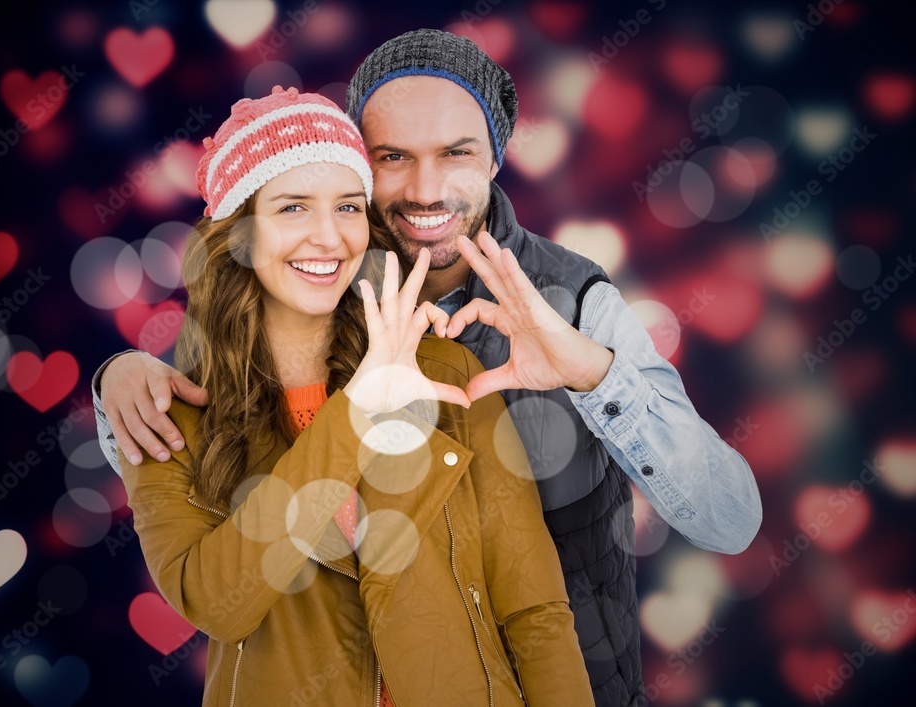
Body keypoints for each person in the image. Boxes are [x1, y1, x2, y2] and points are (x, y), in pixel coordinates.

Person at [95, 31, 762, 706]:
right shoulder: (311, 282)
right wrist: (117, 381)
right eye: (392, 157)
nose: (425, 188)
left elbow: (726, 521)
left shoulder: (573, 301)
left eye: (457, 154)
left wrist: (592, 373)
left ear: (497, 159)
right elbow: (199, 440)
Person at [117, 85, 595, 705]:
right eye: (292, 208)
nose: (329, 237)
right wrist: (359, 409)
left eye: (347, 207)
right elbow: (217, 604)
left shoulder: (447, 371)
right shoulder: (168, 417)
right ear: (239, 234)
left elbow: (535, 608)